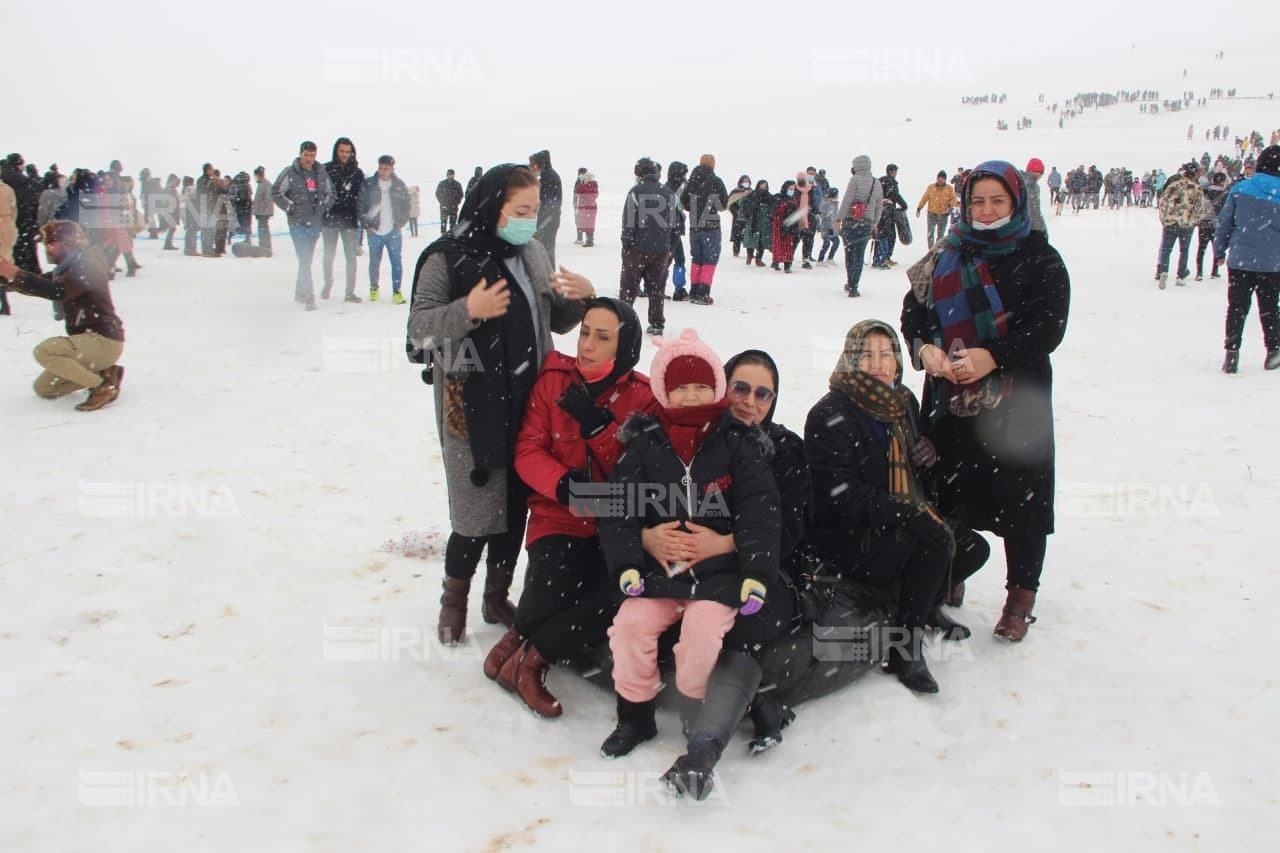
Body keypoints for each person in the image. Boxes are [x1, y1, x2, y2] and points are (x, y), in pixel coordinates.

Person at [406, 164, 593, 644]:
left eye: (534, 210)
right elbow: (418, 333)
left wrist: (582, 299)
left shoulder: (530, 251)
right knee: (474, 515)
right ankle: (454, 603)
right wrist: (468, 310)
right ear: (493, 206)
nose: (530, 220)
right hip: (470, 406)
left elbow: (550, 320)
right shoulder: (446, 258)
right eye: (521, 210)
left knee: (516, 506)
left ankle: (496, 595)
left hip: (532, 404)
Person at [901, 161, 1070, 642]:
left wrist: (992, 356)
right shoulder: (945, 253)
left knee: (1023, 501)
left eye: (997, 200)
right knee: (948, 488)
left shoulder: (1040, 258)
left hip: (1019, 403)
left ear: (1016, 202)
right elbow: (912, 314)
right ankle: (951, 571)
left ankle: (1020, 598)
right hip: (950, 398)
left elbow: (1048, 326)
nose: (986, 210)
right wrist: (924, 350)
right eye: (977, 201)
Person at [596, 328, 780, 761]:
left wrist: (755, 575)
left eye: (702, 386)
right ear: (663, 391)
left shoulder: (737, 443)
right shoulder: (646, 444)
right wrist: (628, 562)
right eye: (681, 388)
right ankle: (634, 713)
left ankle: (693, 707)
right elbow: (618, 507)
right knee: (629, 628)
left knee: (699, 639)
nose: (693, 396)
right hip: (660, 576)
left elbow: (760, 511)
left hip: (718, 579)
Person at [485, 298, 655, 716]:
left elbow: (637, 472)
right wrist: (564, 486)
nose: (587, 345)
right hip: (557, 511)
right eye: (584, 332)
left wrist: (599, 428)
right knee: (552, 581)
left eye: (602, 336)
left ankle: (531, 659)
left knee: (614, 594)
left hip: (618, 518)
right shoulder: (554, 379)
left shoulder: (644, 396)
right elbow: (528, 449)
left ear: (625, 345)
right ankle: (513, 642)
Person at [655, 348, 808, 797]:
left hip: (767, 572)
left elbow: (790, 532)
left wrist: (727, 544)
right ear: (724, 386)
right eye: (740, 388)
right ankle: (757, 702)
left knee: (744, 628)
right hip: (692, 571)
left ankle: (702, 752)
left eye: (763, 394)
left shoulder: (786, 449)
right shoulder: (692, 438)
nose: (749, 401)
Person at [806, 321, 991, 693]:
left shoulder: (902, 401)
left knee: (972, 548)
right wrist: (909, 514)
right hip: (847, 534)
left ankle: (923, 603)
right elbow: (843, 496)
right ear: (850, 358)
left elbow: (914, 468)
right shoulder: (830, 413)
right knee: (934, 544)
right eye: (866, 354)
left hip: (895, 515)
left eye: (886, 353)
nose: (878, 363)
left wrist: (927, 457)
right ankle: (905, 645)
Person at [0, 220, 125, 410]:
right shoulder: (67, 267)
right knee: (45, 388)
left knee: (46, 351)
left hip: (103, 339)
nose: (47, 249)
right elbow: (41, 283)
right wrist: (9, 277)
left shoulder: (87, 266)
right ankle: (106, 373)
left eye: (52, 243)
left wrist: (16, 274)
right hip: (89, 341)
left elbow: (57, 290)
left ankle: (102, 387)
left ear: (69, 243)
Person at [1214, 145, 1280, 373]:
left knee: (1237, 307)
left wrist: (1219, 251)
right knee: (1270, 307)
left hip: (1240, 259)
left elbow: (1224, 223)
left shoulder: (1241, 188)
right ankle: (1273, 350)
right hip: (1273, 262)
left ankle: (1232, 352)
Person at [619, 157, 678, 336]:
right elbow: (675, 224)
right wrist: (669, 247)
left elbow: (629, 221)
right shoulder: (669, 193)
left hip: (638, 248)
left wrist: (627, 244)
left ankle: (623, 320)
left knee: (629, 286)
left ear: (639, 173)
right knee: (657, 287)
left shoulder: (635, 192)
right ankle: (657, 322)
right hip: (661, 249)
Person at [273, 140, 335, 310]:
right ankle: (309, 296)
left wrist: (323, 207)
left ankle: (300, 292)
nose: (309, 158)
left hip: (315, 223)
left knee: (305, 259)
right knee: (305, 257)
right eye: (306, 155)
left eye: (312, 155)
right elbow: (276, 192)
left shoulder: (321, 172)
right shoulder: (290, 172)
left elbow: (332, 193)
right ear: (300, 154)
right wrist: (290, 207)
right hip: (297, 223)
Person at [358, 155, 411, 304]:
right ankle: (373, 288)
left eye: (386, 168)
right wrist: (367, 225)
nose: (382, 171)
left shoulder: (399, 185)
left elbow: (407, 204)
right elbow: (361, 205)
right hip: (374, 231)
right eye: (380, 168)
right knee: (374, 262)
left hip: (393, 230)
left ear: (392, 168)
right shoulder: (369, 184)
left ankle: (396, 291)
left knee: (396, 262)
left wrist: (402, 221)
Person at [678, 154, 728, 305]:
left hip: (695, 225)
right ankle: (703, 292)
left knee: (697, 258)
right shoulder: (716, 181)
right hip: (711, 225)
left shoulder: (692, 181)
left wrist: (694, 209)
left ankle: (694, 290)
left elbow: (682, 201)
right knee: (710, 259)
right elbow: (723, 204)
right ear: (713, 165)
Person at [322, 137, 364, 301]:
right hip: (330, 219)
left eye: (348, 151)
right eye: (342, 151)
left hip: (350, 220)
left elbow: (362, 196)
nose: (345, 155)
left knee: (350, 257)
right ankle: (327, 284)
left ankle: (349, 292)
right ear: (336, 151)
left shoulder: (357, 172)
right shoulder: (326, 170)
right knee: (328, 255)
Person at [835, 154, 883, 297]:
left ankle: (850, 282)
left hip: (850, 222)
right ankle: (854, 286)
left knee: (849, 253)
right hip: (866, 224)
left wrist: (838, 219)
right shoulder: (877, 183)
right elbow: (879, 205)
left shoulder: (854, 180)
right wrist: (875, 223)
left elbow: (846, 200)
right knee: (859, 255)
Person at [1155, 162, 1204, 288]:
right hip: (1187, 223)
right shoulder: (1197, 188)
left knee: (1166, 249)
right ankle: (1181, 275)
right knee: (1184, 250)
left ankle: (1163, 270)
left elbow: (1163, 202)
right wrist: (1195, 221)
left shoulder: (1173, 185)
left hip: (1171, 221)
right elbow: (1200, 208)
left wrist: (1163, 218)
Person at [528, 150, 562, 267]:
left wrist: (540, 224)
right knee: (545, 251)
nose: (531, 168)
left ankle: (549, 279)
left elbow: (547, 203)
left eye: (532, 164)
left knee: (546, 251)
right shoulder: (546, 177)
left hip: (548, 221)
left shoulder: (549, 178)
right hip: (546, 220)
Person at [871, 164, 908, 269]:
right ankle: (886, 257)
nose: (896, 173)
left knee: (879, 235)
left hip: (877, 212)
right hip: (888, 212)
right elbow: (895, 195)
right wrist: (904, 205)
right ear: (891, 171)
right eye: (895, 171)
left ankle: (876, 258)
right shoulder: (891, 182)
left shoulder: (879, 181)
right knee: (890, 235)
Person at [1195, 172, 1228, 281]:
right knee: (1216, 248)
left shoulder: (1205, 190)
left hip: (1204, 221)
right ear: (1222, 181)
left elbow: (1199, 205)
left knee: (1201, 248)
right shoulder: (1225, 193)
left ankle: (1199, 273)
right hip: (1217, 223)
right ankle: (1214, 271)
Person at [664, 161, 689, 299]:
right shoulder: (681, 188)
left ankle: (656, 286)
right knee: (678, 259)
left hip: (665, 229)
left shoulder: (664, 187)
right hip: (674, 229)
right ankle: (679, 288)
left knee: (666, 260)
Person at [916, 170, 959, 248]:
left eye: (942, 178)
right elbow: (924, 198)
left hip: (944, 215)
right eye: (939, 177)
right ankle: (930, 250)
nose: (940, 179)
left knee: (940, 235)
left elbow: (953, 199)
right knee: (930, 233)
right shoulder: (931, 187)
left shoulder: (949, 189)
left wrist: (950, 205)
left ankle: (936, 251)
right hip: (932, 214)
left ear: (945, 179)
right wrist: (919, 207)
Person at [769, 179, 804, 273]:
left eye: (793, 189)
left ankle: (787, 265)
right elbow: (776, 211)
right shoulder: (779, 198)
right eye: (790, 188)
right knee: (779, 244)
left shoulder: (794, 199)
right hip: (779, 225)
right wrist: (786, 209)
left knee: (789, 245)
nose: (792, 191)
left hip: (791, 225)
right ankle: (776, 261)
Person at [740, 179, 772, 267]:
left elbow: (773, 205)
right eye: (762, 186)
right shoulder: (752, 195)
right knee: (751, 239)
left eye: (765, 186)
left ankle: (759, 259)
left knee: (761, 241)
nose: (763, 188)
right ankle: (749, 256)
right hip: (753, 221)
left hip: (764, 223)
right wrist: (745, 197)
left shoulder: (769, 197)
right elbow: (742, 204)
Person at [726, 174, 752, 257]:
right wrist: (737, 213)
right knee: (737, 235)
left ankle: (749, 253)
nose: (746, 182)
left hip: (748, 217)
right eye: (744, 181)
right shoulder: (736, 191)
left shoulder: (751, 192)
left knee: (748, 234)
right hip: (738, 217)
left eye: (747, 181)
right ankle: (736, 252)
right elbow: (730, 203)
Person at [572, 168, 598, 247]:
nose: (581, 176)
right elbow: (577, 190)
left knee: (588, 224)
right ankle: (584, 239)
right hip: (583, 207)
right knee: (582, 222)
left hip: (588, 208)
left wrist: (583, 183)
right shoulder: (582, 183)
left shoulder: (592, 185)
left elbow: (580, 190)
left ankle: (589, 240)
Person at [816, 187, 841, 265]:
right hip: (826, 227)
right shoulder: (826, 203)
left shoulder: (835, 203)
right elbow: (826, 216)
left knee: (836, 242)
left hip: (832, 228)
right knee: (827, 242)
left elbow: (836, 215)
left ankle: (830, 258)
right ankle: (820, 260)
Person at [252, 167, 274, 256]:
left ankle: (266, 246)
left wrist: (260, 207)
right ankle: (263, 245)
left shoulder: (266, 184)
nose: (255, 177)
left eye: (256, 175)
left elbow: (268, 199)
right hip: (260, 212)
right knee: (262, 229)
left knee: (264, 229)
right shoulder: (260, 184)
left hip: (264, 212)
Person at [435, 169, 464, 235]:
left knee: (453, 223)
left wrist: (457, 202)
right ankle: (443, 235)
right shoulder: (442, 184)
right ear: (447, 175)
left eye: (452, 174)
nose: (450, 176)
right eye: (449, 174)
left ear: (454, 175)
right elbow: (437, 193)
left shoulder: (457, 184)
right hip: (444, 207)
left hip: (453, 207)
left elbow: (461, 194)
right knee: (443, 222)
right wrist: (442, 202)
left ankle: (452, 236)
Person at [1023, 157, 1048, 236]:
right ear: (1038, 172)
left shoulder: (1020, 181)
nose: (1041, 176)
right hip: (1029, 231)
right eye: (1041, 173)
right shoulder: (1032, 186)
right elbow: (1034, 212)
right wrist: (1042, 232)